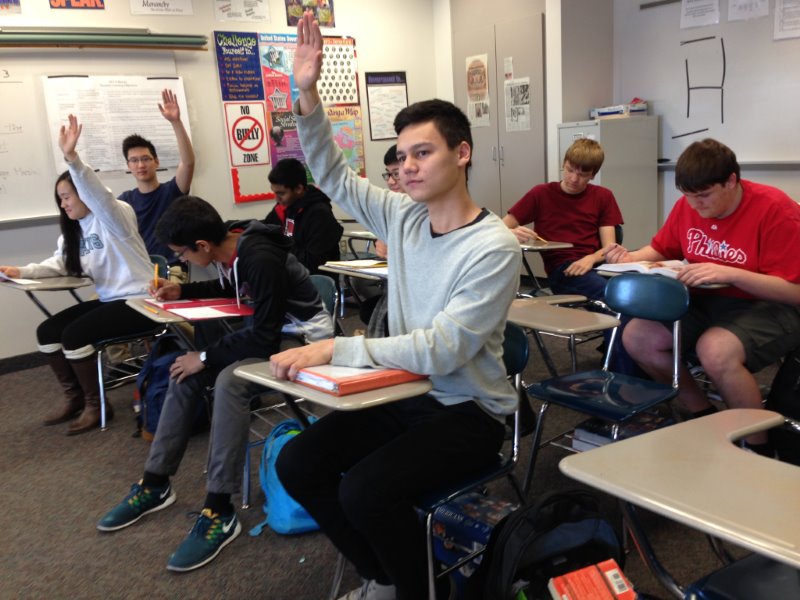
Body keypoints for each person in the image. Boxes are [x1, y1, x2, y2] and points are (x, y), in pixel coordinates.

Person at [270, 13, 521, 600]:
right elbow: (330, 172)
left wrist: (339, 347)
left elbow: (446, 348)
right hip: (401, 392)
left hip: (468, 412)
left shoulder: (493, 246)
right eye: (402, 155)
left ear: (462, 154)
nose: (407, 166)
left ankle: (414, 589)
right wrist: (306, 94)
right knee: (299, 464)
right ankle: (386, 573)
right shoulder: (403, 214)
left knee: (363, 490)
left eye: (422, 153)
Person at [96, 195, 334, 572]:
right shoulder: (231, 249)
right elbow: (237, 293)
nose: (182, 262)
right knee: (182, 370)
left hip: (308, 341)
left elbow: (265, 338)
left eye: (183, 255)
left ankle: (220, 507)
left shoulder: (258, 255)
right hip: (273, 333)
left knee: (228, 380)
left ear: (202, 245)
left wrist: (204, 358)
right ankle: (156, 481)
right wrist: (184, 293)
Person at [605, 138, 800, 456]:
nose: (696, 205)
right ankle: (703, 414)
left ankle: (759, 449)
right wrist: (629, 258)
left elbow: (794, 291)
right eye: (688, 197)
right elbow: (661, 250)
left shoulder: (775, 209)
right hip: (706, 300)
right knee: (638, 337)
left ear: (731, 181)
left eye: (705, 196)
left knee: (716, 351)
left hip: (770, 303)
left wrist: (730, 273)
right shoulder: (688, 205)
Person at [0, 115, 158, 435]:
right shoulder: (74, 232)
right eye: (60, 198)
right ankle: (75, 398)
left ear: (84, 193)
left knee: (74, 335)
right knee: (48, 331)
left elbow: (99, 197)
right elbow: (60, 264)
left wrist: (72, 159)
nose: (63, 203)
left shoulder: (116, 216)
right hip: (112, 300)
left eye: (68, 195)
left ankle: (96, 405)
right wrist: (19, 271)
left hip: (141, 299)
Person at [502, 137, 623, 301]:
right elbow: (500, 228)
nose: (574, 179)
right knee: (614, 294)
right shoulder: (541, 194)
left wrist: (591, 259)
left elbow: (609, 247)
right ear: (563, 164)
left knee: (636, 290)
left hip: (595, 264)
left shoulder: (603, 196)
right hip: (563, 268)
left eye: (582, 174)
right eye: (570, 170)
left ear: (593, 175)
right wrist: (512, 233)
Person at [118, 89, 195, 264]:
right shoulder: (125, 200)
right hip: (140, 268)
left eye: (145, 159)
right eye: (134, 161)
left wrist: (176, 122)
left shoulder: (172, 191)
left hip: (172, 268)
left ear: (156, 162)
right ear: (128, 166)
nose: (140, 165)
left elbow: (188, 163)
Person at [263, 157, 343, 274]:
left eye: (281, 193)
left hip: (316, 281)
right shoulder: (285, 207)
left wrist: (278, 247)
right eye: (274, 192)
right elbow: (265, 231)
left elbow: (314, 263)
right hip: (291, 274)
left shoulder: (319, 215)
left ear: (299, 189)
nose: (276, 198)